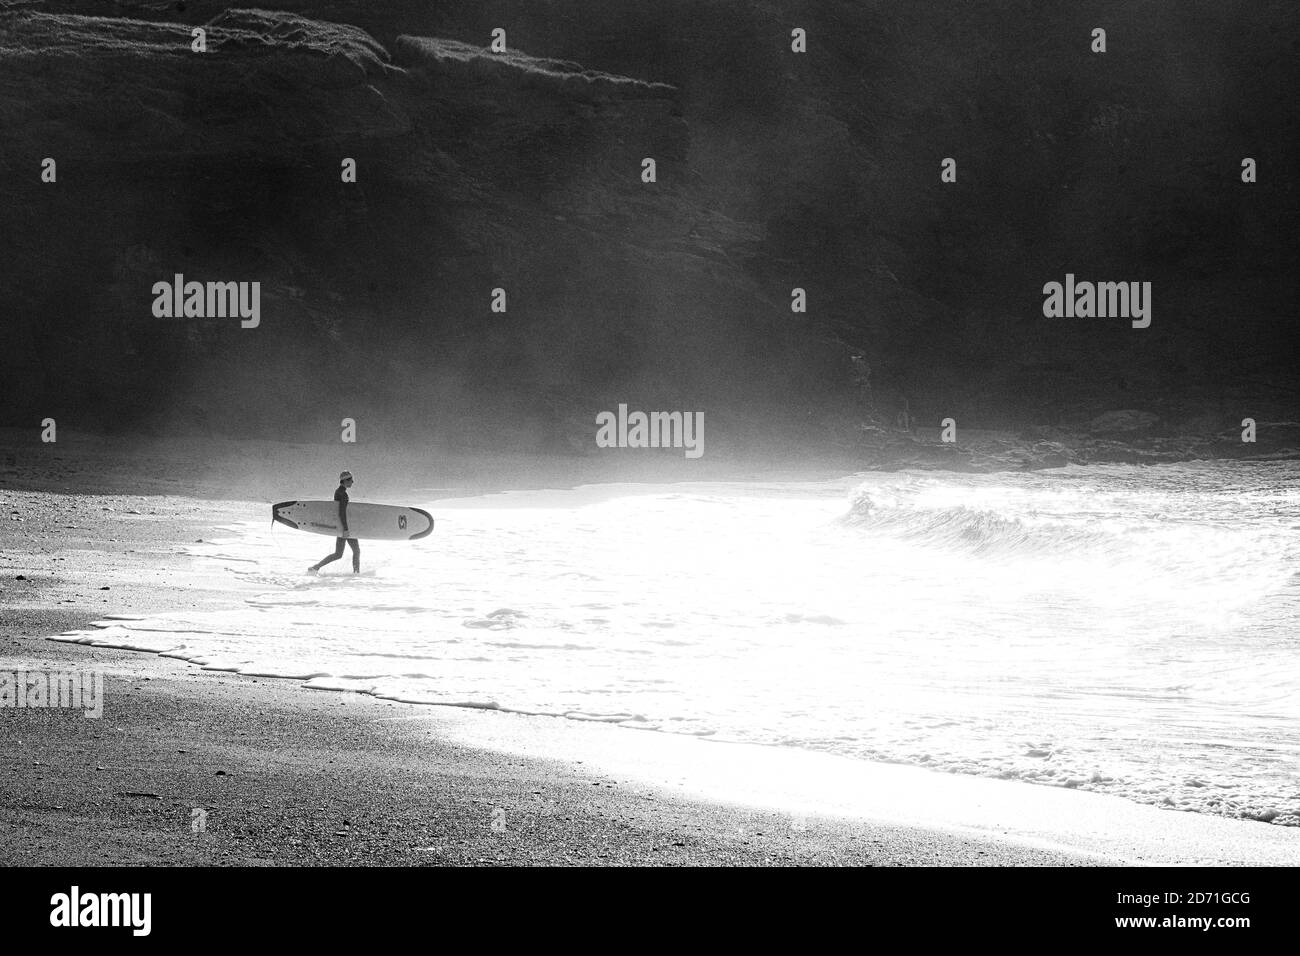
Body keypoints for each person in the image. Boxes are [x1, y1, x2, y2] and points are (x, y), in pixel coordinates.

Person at [308, 471, 359, 574]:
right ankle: (356, 573)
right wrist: (345, 529)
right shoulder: (343, 494)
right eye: (351, 480)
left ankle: (316, 567)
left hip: (341, 525)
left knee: (339, 554)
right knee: (354, 551)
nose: (352, 482)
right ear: (345, 480)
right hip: (345, 526)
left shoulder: (338, 492)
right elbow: (342, 513)